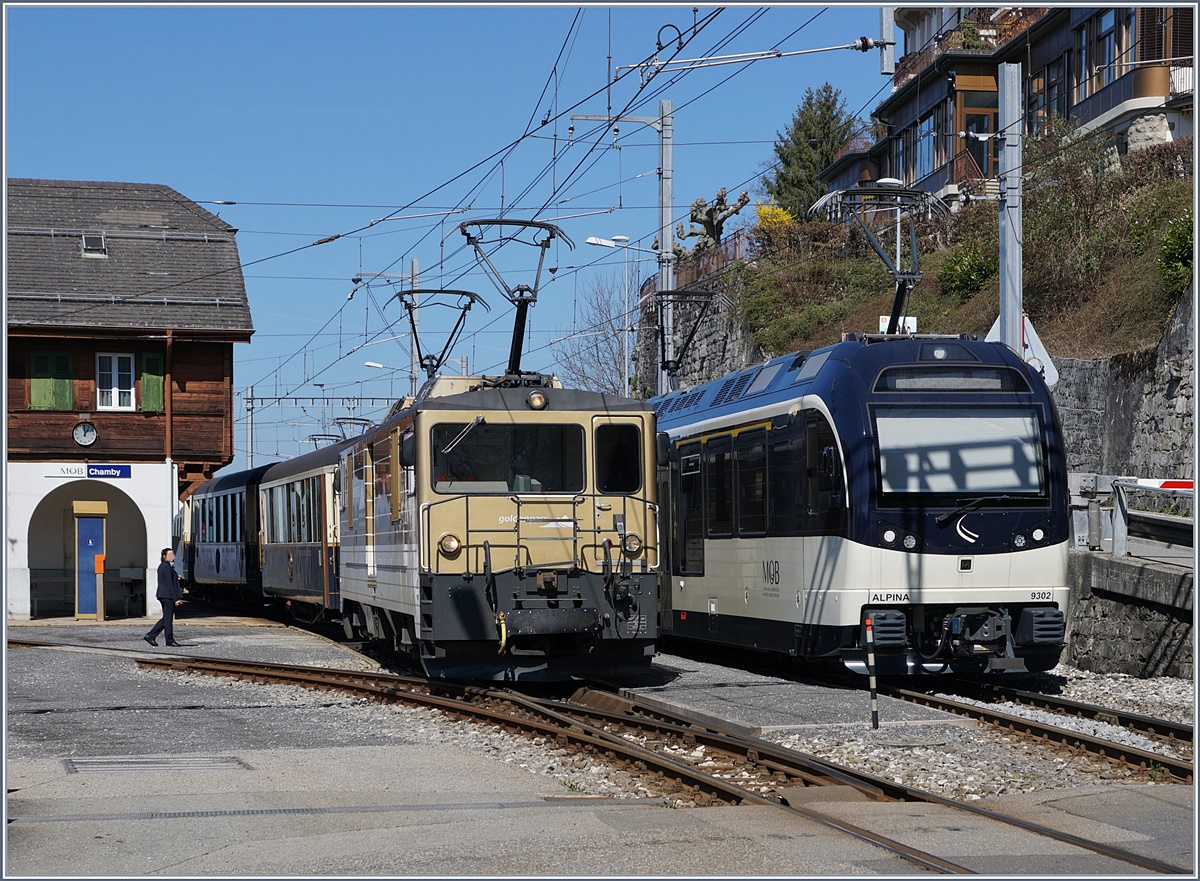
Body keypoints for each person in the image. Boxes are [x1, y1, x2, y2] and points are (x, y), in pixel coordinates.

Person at [144, 547, 184, 647]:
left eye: (173, 554)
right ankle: (168, 639)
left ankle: (151, 635)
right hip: (167, 596)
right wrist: (176, 599)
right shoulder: (166, 567)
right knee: (168, 619)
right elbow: (169, 584)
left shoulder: (165, 566)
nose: (172, 556)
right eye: (170, 554)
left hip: (164, 595)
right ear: (164, 556)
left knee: (166, 618)